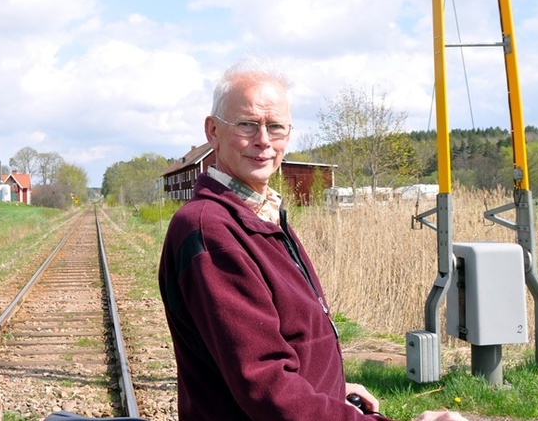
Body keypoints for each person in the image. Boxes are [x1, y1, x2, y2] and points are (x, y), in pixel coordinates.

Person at [157, 57, 468, 421]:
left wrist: (333, 388)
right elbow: (265, 386)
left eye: (275, 127)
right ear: (213, 131)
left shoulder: (259, 214)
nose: (263, 141)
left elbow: (281, 343)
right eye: (246, 124)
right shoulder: (211, 230)